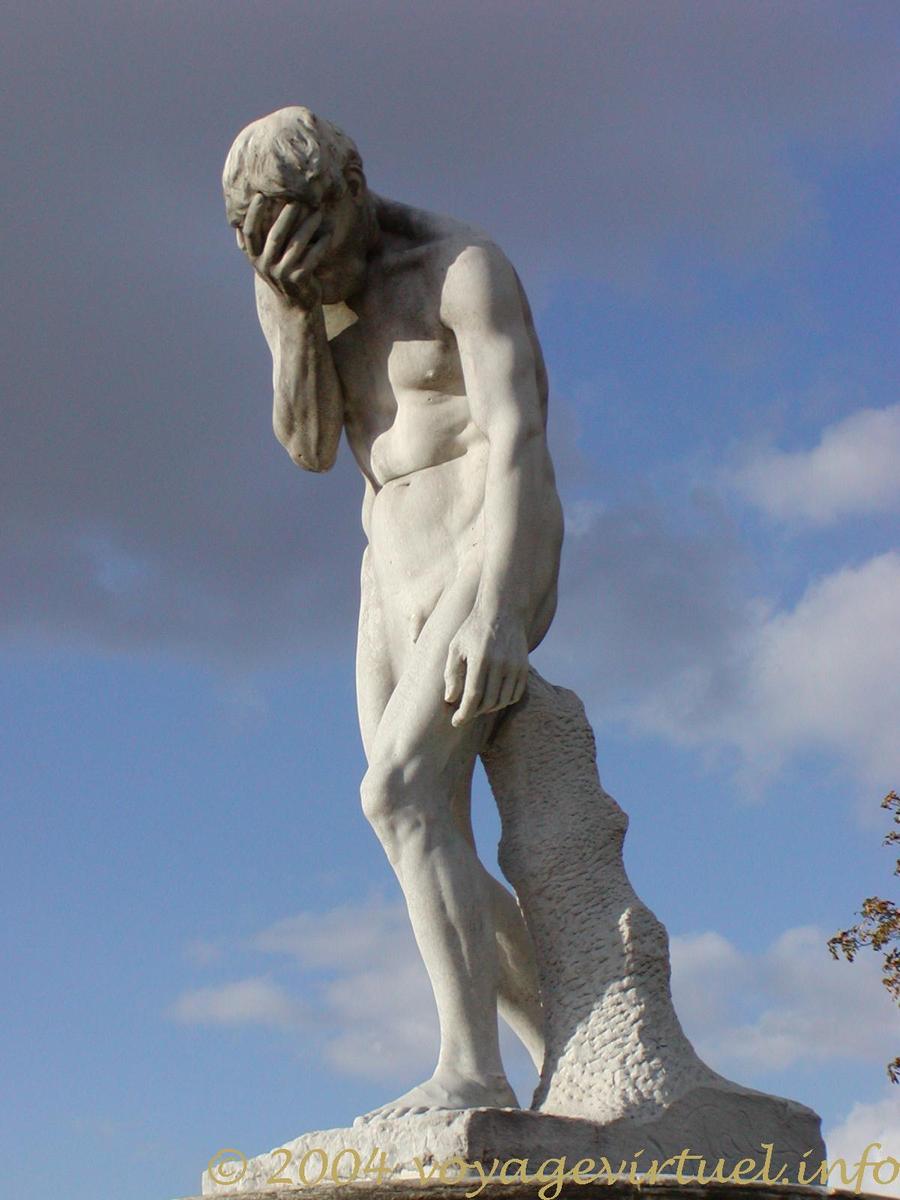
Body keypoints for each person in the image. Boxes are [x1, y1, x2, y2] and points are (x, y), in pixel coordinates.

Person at [223, 107, 564, 1121]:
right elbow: (311, 448)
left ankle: (471, 1070)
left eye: (315, 237)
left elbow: (519, 439)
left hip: (488, 542)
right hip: (391, 563)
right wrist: (291, 315)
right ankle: (568, 1034)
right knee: (412, 823)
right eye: (280, 249)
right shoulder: (295, 286)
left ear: (351, 186)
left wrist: (498, 609)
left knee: (400, 794)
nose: (311, 265)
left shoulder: (462, 267)